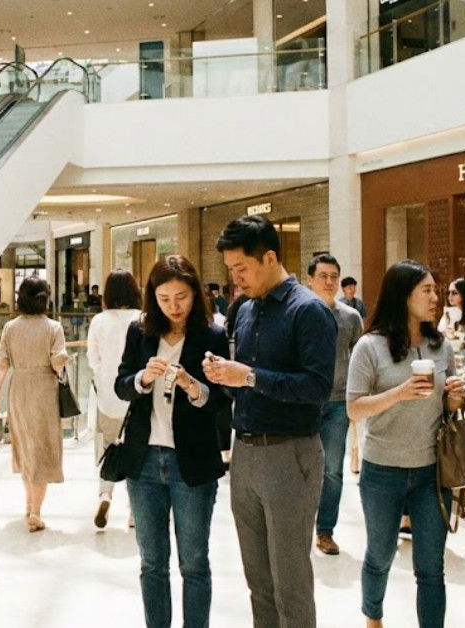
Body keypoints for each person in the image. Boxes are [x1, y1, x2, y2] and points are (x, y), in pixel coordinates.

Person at [203, 215, 336, 628]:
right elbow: (243, 384)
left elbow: (317, 387)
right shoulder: (245, 311)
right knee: (258, 581)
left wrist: (249, 377)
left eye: (242, 268)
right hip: (244, 452)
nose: (236, 278)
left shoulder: (308, 310)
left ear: (270, 258)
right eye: (230, 270)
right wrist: (223, 377)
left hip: (290, 453)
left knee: (290, 583)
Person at [346, 260, 465, 628]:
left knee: (431, 567)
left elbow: (446, 405)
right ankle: (373, 618)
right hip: (383, 469)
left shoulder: (440, 345)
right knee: (380, 555)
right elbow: (354, 408)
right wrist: (399, 393)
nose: (436, 298)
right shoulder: (370, 346)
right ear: (403, 296)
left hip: (432, 471)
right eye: (426, 291)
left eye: (435, 290)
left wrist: (455, 397)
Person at [115, 255, 229, 628]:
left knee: (194, 563)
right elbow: (121, 385)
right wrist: (142, 379)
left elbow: (221, 401)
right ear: (153, 297)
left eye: (181, 297)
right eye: (164, 298)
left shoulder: (212, 336)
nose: (173, 306)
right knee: (152, 563)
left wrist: (193, 386)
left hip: (191, 461)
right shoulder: (139, 332)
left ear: (195, 294)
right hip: (143, 460)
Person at [0, 275, 68, 532]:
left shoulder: (11, 328)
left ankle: (28, 505)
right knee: (41, 449)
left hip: (18, 389)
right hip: (45, 390)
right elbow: (57, 362)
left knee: (25, 448)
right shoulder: (54, 327)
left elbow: (2, 365)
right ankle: (36, 512)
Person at [306, 253, 363, 556]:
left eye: (334, 276)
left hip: (339, 402)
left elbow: (360, 359)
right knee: (300, 467)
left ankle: (325, 530)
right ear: (310, 280)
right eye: (323, 276)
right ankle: (299, 527)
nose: (329, 282)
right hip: (305, 402)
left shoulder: (351, 318)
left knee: (332, 470)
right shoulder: (299, 313)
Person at [85, 270, 142, 529]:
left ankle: (105, 495)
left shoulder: (99, 320)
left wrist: (104, 376)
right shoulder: (141, 318)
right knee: (137, 451)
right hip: (137, 395)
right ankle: (134, 512)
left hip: (108, 397)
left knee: (110, 447)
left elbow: (92, 360)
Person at [437, 278, 465, 349]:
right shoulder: (449, 313)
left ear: (463, 294)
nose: (450, 296)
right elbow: (440, 333)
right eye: (449, 293)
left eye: (454, 293)